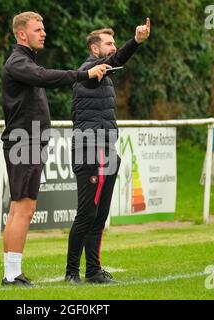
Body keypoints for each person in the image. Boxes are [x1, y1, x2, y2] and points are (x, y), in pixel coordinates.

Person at [1, 11, 110, 286]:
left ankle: (11, 273)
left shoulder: (26, 61)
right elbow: (46, 76)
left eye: (43, 28)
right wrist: (83, 74)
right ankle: (12, 275)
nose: (44, 33)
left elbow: (42, 76)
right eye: (38, 29)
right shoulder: (18, 62)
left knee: (19, 208)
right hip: (24, 141)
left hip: (30, 140)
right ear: (22, 34)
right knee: (23, 208)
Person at [65, 18, 151, 284]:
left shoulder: (105, 75)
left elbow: (114, 62)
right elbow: (115, 61)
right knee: (86, 214)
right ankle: (71, 273)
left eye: (115, 43)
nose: (113, 48)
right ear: (94, 49)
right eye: (109, 43)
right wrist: (135, 42)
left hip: (106, 151)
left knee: (100, 215)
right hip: (89, 151)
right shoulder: (89, 71)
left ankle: (93, 271)